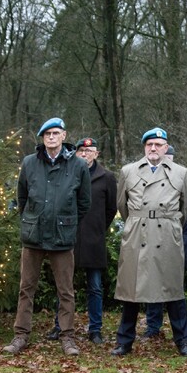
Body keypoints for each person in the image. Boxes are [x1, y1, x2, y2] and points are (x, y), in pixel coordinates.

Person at [3, 118, 91, 356]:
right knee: (26, 288)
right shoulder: (29, 163)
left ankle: (68, 338)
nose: (51, 137)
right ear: (42, 138)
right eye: (47, 134)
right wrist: (32, 220)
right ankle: (20, 335)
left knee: (66, 291)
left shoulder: (79, 166)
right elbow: (22, 198)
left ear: (64, 135)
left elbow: (84, 203)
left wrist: (66, 222)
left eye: (55, 133)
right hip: (33, 237)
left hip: (62, 239)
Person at [111, 127, 187, 357]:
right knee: (131, 291)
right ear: (144, 147)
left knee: (174, 290)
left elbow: (186, 208)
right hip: (138, 236)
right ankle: (124, 341)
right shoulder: (128, 171)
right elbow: (122, 205)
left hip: (167, 237)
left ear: (166, 148)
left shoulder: (180, 172)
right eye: (149, 144)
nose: (153, 148)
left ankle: (183, 340)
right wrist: (139, 223)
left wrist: (169, 225)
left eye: (158, 144)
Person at [46, 137, 117, 345]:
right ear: (76, 153)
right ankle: (60, 326)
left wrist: (98, 228)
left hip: (94, 240)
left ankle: (95, 329)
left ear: (97, 154)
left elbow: (111, 208)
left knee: (94, 287)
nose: (85, 154)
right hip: (68, 238)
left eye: (89, 151)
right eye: (81, 151)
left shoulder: (107, 177)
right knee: (64, 286)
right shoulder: (67, 173)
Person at [144, 145, 187, 339]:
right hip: (152, 239)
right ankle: (153, 327)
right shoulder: (148, 181)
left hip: (178, 241)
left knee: (175, 286)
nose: (165, 160)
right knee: (152, 283)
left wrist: (178, 231)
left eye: (169, 157)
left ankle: (181, 333)